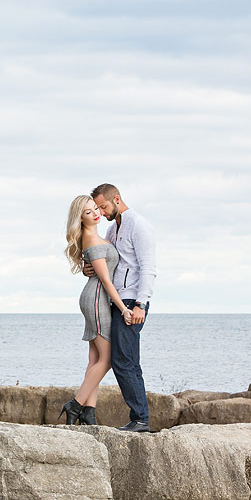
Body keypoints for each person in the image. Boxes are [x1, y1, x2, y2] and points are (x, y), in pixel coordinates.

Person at [86, 183, 156, 433]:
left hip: (132, 303)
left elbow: (148, 267)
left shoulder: (139, 225)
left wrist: (141, 304)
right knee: (128, 361)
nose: (102, 212)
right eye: (98, 208)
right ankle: (141, 418)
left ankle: (140, 419)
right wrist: (89, 269)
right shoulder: (111, 229)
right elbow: (110, 263)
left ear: (117, 198)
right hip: (116, 301)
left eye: (104, 206)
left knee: (122, 360)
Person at [60, 194, 133, 426]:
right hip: (97, 299)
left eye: (95, 209)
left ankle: (88, 412)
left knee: (95, 360)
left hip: (94, 296)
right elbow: (106, 281)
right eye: (88, 212)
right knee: (108, 358)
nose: (95, 214)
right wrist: (123, 308)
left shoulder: (95, 237)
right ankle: (75, 405)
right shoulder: (91, 239)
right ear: (80, 219)